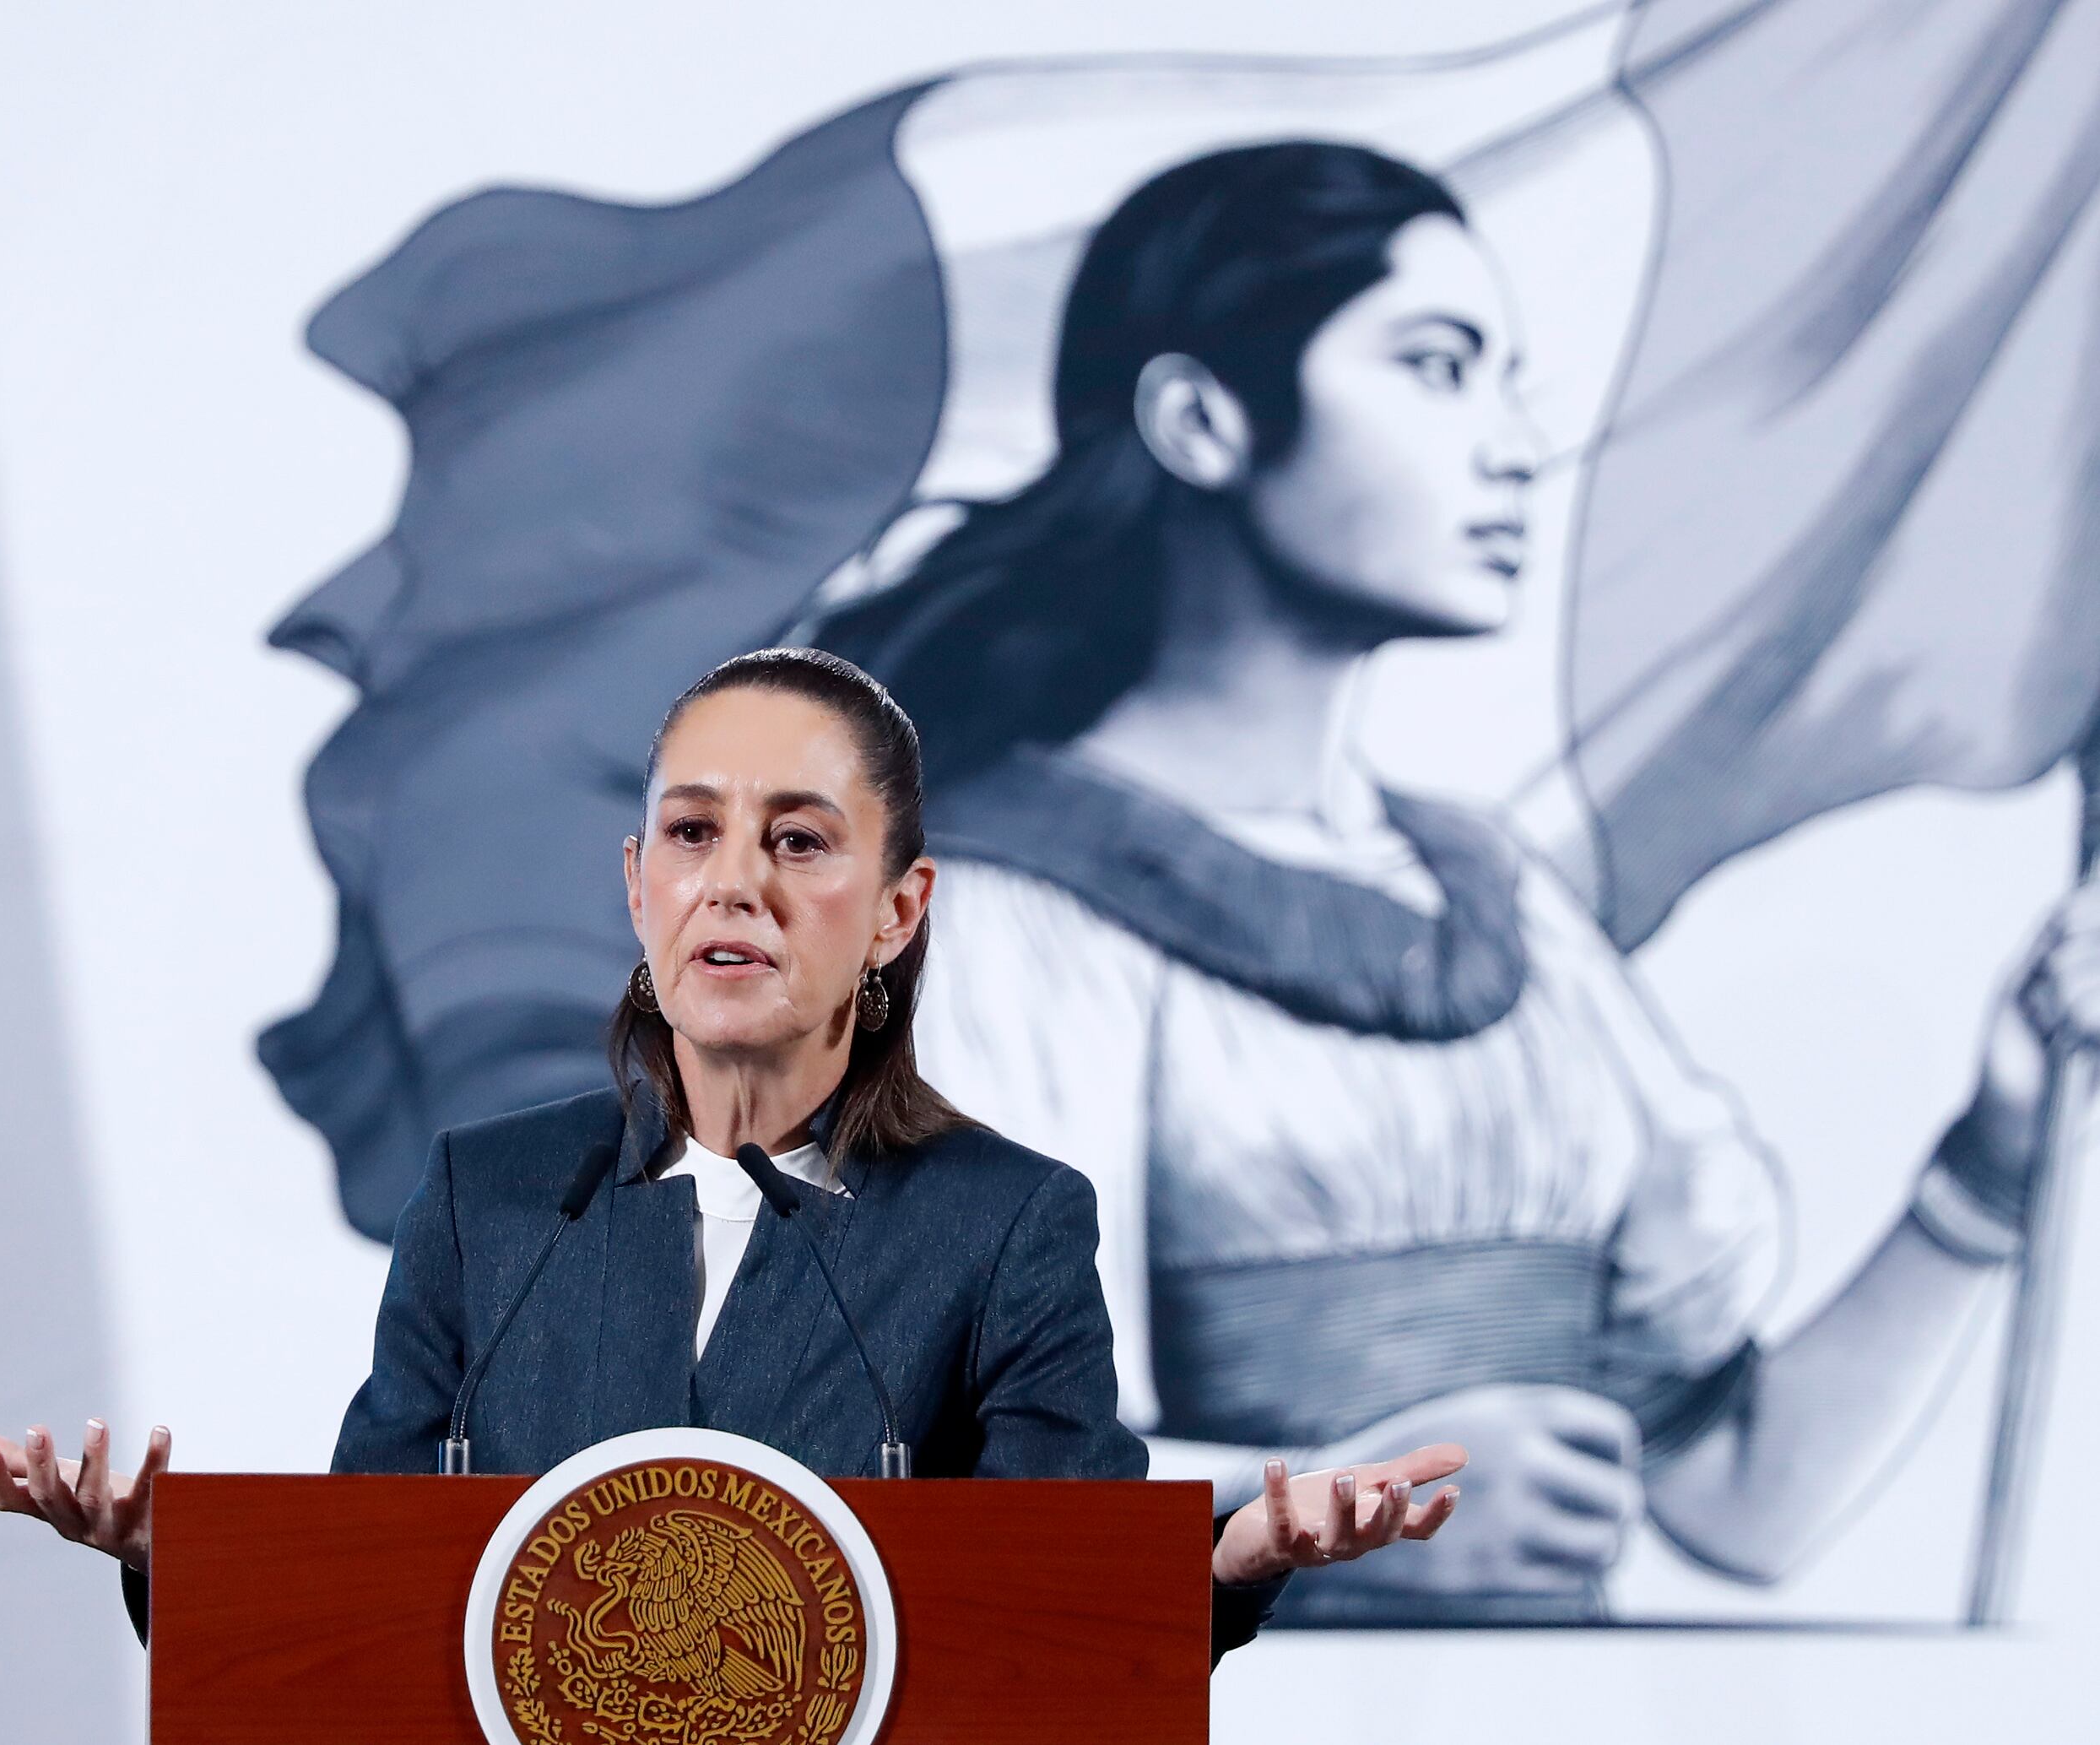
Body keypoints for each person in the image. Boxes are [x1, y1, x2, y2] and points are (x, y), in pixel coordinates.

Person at [814, 140, 2100, 1623]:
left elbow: (1743, 1499)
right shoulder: (1005, 921)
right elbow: (950, 1522)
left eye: (1508, 379)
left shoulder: (1510, 918)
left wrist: (1993, 1162)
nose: (1512, 444)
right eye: (1438, 366)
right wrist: (1328, 1513)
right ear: (1202, 419)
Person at [0, 648, 1467, 1654]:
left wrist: (1227, 1567)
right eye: (692, 833)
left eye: (800, 841)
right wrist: (167, 1555)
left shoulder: (1009, 1223)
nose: (732, 882)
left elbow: (1049, 1624)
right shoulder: (488, 1202)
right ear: (635, 887)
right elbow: (381, 1606)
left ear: (896, 909)